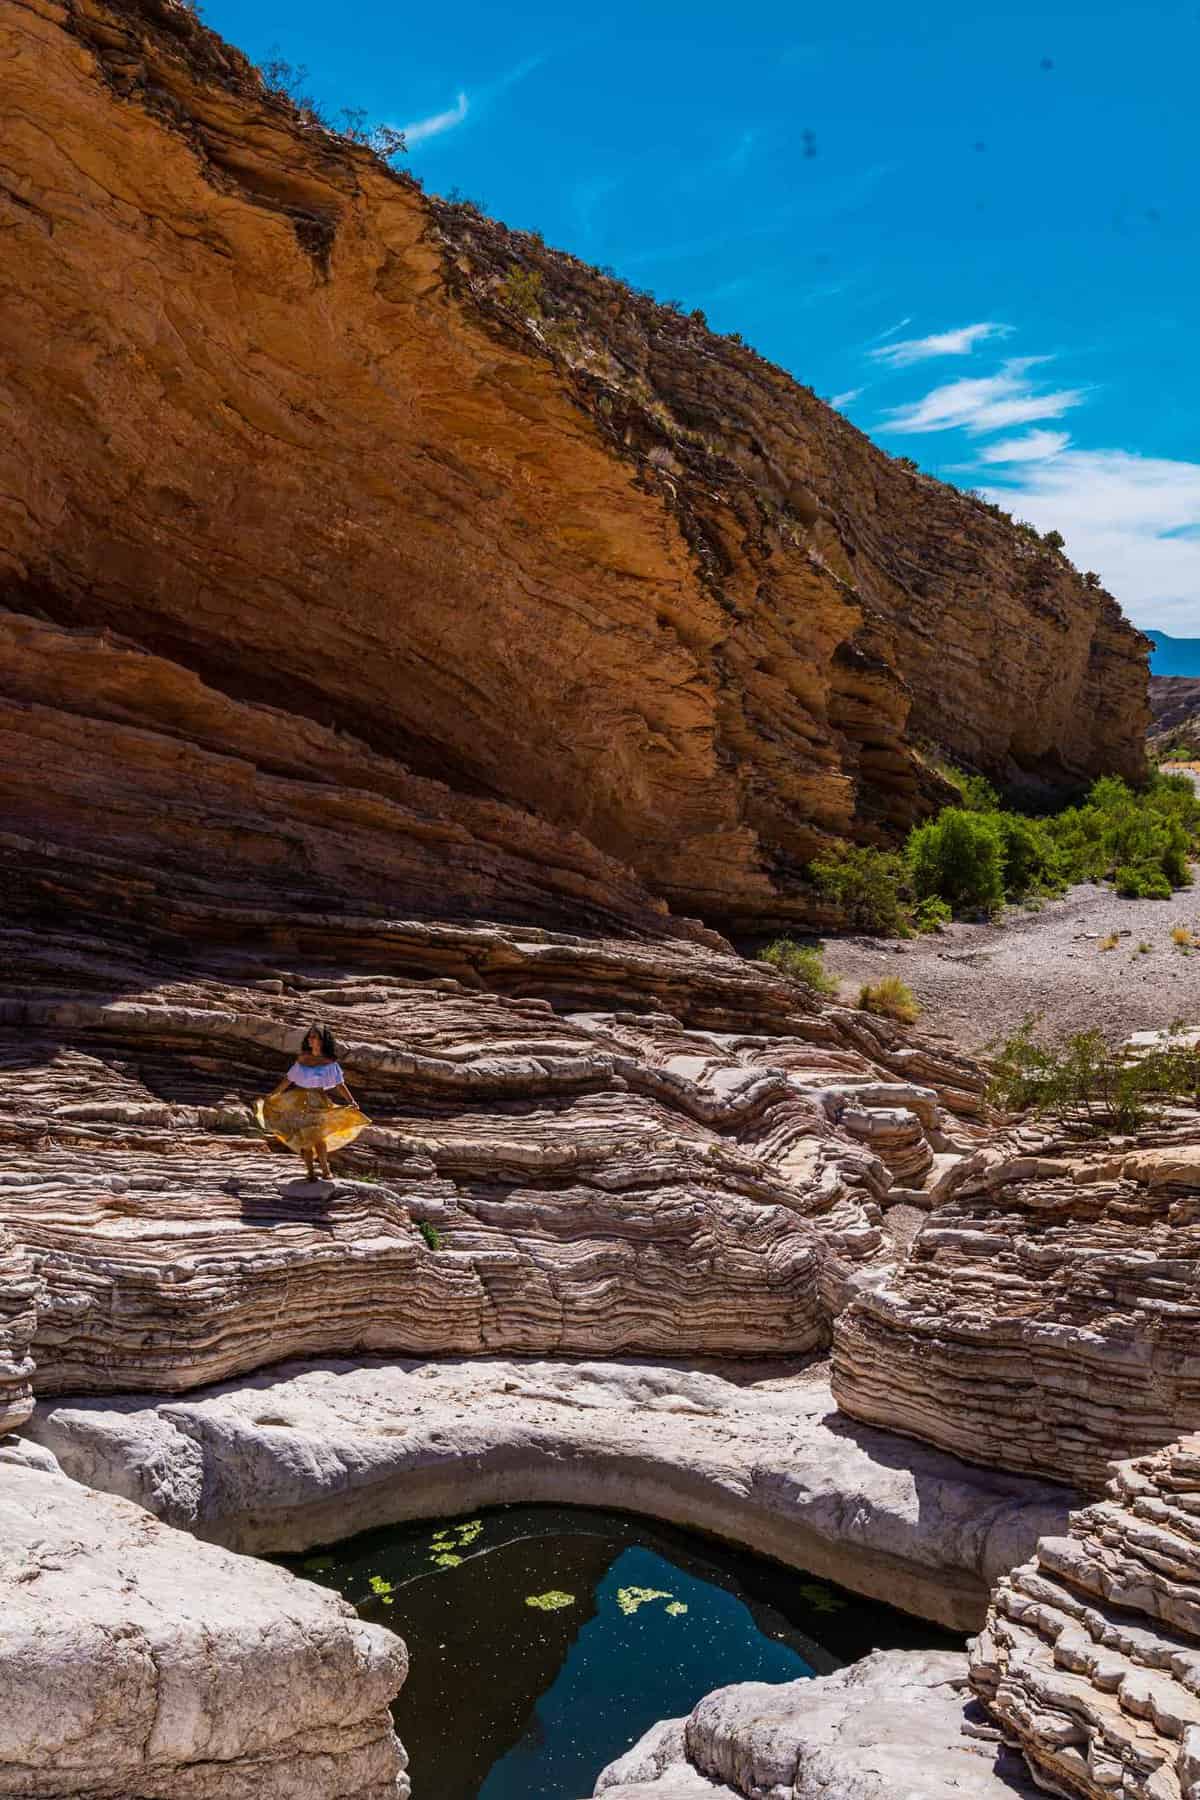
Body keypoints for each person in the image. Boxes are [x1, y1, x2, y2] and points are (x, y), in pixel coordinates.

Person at [256, 1024, 370, 1182]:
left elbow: (339, 1084)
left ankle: (325, 1169)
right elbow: (288, 1079)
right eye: (309, 1036)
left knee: (318, 1137)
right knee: (305, 1138)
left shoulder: (329, 1062)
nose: (310, 1039)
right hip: (299, 1101)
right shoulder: (303, 1058)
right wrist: (274, 1094)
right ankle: (310, 1172)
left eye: (313, 1036)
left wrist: (351, 1101)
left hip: (319, 1101)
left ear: (322, 1040)